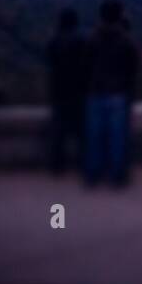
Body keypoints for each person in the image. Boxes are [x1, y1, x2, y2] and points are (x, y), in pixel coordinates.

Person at [83, 0, 139, 188]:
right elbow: (134, 66)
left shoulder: (92, 38)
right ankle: (118, 175)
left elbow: (85, 65)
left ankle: (92, 174)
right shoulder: (126, 39)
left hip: (95, 91)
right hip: (118, 92)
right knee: (118, 137)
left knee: (94, 136)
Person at [46, 9, 89, 176]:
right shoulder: (82, 40)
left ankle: (57, 165)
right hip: (79, 90)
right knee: (81, 131)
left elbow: (50, 61)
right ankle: (83, 163)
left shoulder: (54, 41)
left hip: (58, 89)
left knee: (58, 131)